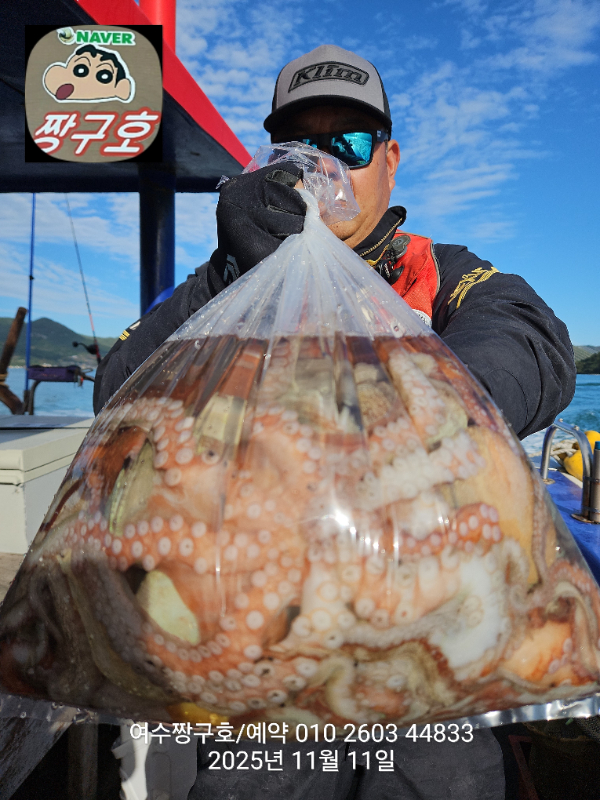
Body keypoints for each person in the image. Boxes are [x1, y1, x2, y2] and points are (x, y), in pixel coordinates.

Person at [94, 44, 576, 800]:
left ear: (389, 160)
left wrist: (421, 400)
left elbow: (531, 340)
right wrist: (229, 271)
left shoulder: (442, 273)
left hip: (425, 647)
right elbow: (118, 392)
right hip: (259, 652)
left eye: (348, 143)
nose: (325, 166)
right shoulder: (228, 284)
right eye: (299, 145)